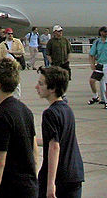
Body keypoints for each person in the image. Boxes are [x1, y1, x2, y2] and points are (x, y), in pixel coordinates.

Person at [0, 56, 38, 197]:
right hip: (29, 188)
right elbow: (34, 151)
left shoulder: (0, 118)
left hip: (11, 191)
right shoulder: (25, 110)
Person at [35, 66, 84, 198]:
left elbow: (54, 146)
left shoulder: (50, 113)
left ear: (52, 89)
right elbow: (58, 139)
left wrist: (50, 183)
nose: (36, 87)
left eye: (41, 84)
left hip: (60, 176)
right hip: (74, 173)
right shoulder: (67, 110)